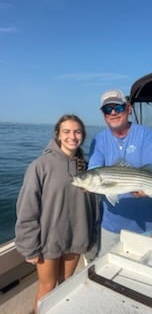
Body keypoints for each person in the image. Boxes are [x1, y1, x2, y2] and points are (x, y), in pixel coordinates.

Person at [15, 114, 99, 313]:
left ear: (83, 136)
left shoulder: (87, 168)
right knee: (47, 288)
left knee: (65, 284)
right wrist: (29, 247)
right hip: (49, 241)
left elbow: (93, 206)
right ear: (58, 135)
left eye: (77, 132)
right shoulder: (40, 165)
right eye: (66, 131)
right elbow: (27, 207)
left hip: (77, 239)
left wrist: (90, 236)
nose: (72, 136)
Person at [88, 89, 152, 257]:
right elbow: (94, 169)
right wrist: (87, 182)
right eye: (107, 109)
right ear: (103, 114)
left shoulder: (146, 134)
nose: (113, 113)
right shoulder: (98, 140)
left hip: (145, 223)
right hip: (111, 225)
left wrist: (150, 188)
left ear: (128, 108)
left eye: (118, 108)